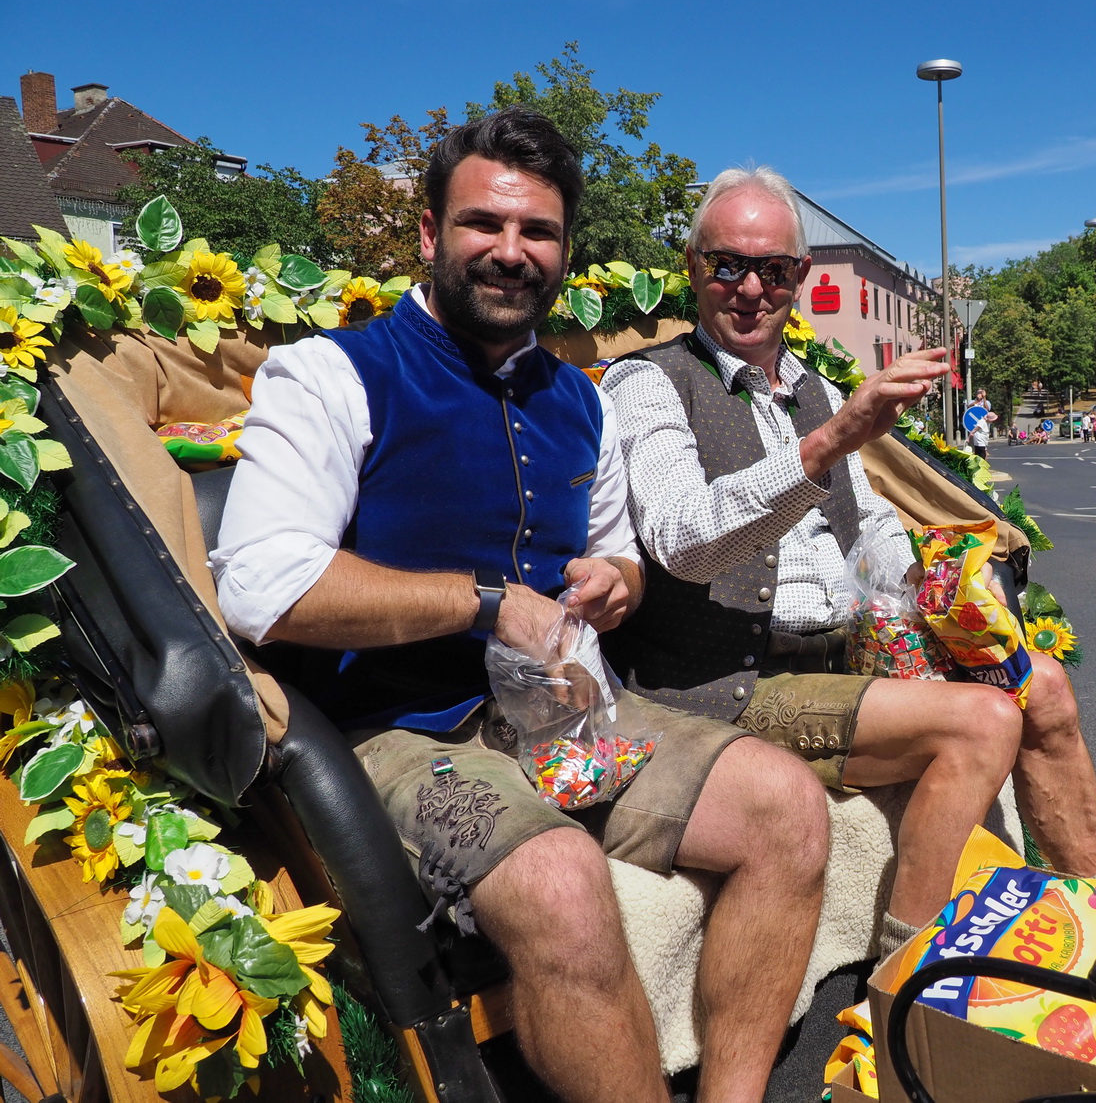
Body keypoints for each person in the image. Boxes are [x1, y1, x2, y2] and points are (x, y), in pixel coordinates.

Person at [212, 111, 829, 1103]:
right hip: (400, 732)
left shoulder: (583, 400)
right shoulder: (331, 374)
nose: (511, 251)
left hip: (565, 716)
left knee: (785, 808)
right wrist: (487, 604)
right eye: (483, 224)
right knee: (561, 884)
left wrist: (617, 583)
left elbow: (620, 556)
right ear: (430, 232)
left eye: (538, 231)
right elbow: (262, 585)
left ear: (564, 250)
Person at [601, 168, 1096, 959]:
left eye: (773, 270)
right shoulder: (649, 381)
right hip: (730, 681)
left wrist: (937, 597)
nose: (750, 289)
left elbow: (870, 526)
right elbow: (682, 537)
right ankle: (902, 987)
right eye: (727, 264)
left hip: (845, 655)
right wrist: (831, 441)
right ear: (693, 266)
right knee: (981, 722)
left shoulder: (813, 389)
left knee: (1039, 683)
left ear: (800, 276)